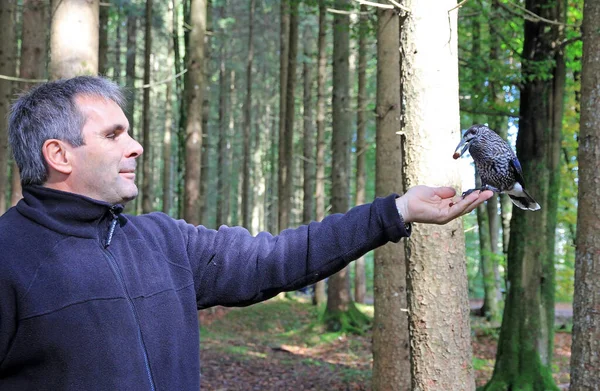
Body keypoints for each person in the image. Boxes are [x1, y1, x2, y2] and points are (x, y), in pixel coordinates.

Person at [0, 76, 491, 390]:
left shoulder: (162, 242)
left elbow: (276, 258)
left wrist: (397, 210)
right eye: (113, 135)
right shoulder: (8, 256)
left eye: (129, 132)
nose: (137, 147)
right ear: (58, 154)